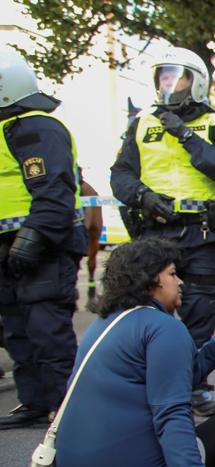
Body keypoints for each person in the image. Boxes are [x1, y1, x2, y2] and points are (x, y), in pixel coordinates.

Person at [53, 238, 215, 467]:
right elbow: (172, 413)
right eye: (173, 273)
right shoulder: (165, 328)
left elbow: (171, 380)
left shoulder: (104, 323)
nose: (180, 282)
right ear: (152, 280)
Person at [110, 47, 215, 418]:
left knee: (202, 311)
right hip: (155, 233)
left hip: (202, 234)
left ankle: (195, 385)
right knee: (146, 311)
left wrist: (186, 136)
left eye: (177, 76)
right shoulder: (140, 123)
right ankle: (152, 382)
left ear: (196, 81)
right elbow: (120, 174)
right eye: (163, 76)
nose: (168, 83)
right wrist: (144, 197)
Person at [0, 47, 88, 430]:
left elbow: (54, 190)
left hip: (41, 245)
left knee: (46, 331)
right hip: (11, 244)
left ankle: (66, 407)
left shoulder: (35, 126)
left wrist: (33, 239)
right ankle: (35, 401)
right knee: (16, 330)